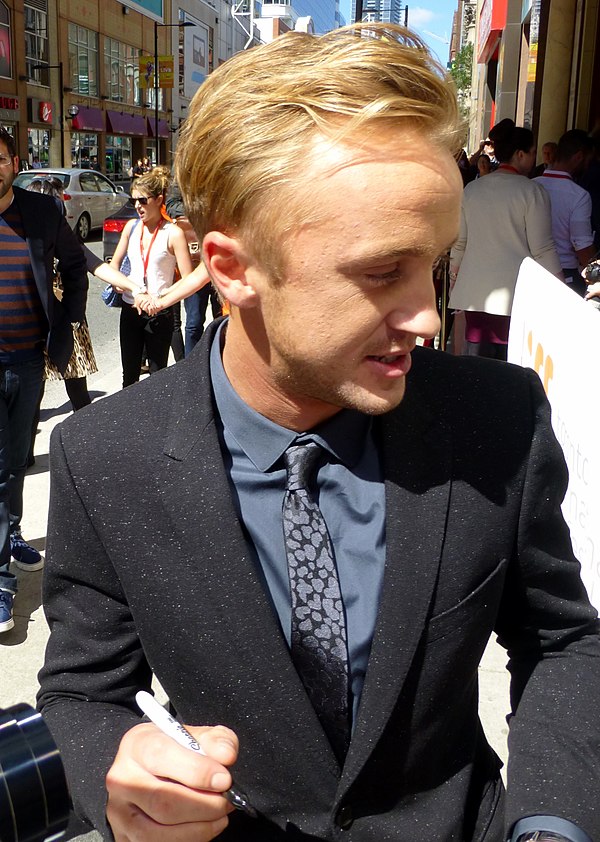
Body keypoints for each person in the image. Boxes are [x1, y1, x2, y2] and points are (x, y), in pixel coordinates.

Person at [38, 25, 600, 842]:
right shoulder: (105, 457)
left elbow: (563, 641)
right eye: (381, 272)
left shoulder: (496, 418)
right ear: (232, 269)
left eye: (436, 265)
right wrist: (120, 773)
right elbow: (84, 689)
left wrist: (553, 822)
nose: (427, 316)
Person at [0, 128, 87, 634]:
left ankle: (11, 533)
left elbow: (76, 266)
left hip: (30, 360)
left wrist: (70, 318)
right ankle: (2, 584)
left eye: (1, 158)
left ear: (15, 162)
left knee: (16, 461)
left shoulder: (42, 214)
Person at [449, 119, 562, 359]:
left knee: (477, 371)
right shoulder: (532, 191)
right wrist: (561, 289)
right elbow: (542, 249)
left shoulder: (473, 189)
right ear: (520, 154)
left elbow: (460, 243)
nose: (534, 159)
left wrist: (454, 281)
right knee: (510, 368)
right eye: (532, 153)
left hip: (474, 294)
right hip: (516, 295)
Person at [109, 168, 193, 387]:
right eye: (134, 200)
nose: (137, 206)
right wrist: (118, 283)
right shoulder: (131, 227)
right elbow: (114, 265)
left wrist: (162, 299)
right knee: (130, 377)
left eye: (143, 200)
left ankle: (155, 420)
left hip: (159, 312)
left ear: (159, 200)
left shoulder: (173, 233)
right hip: (130, 309)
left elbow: (188, 278)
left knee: (157, 377)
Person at [533, 129, 596, 297]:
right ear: (579, 157)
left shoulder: (531, 186)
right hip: (565, 274)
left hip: (529, 270)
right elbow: (582, 246)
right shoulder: (579, 196)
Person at [165, 176, 222, 354]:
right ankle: (192, 366)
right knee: (194, 323)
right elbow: (172, 204)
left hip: (222, 259)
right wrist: (201, 210)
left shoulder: (224, 171)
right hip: (197, 260)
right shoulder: (184, 176)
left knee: (223, 320)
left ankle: (220, 361)